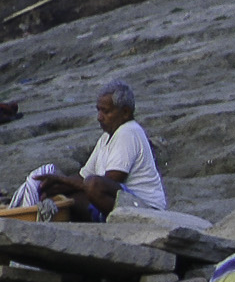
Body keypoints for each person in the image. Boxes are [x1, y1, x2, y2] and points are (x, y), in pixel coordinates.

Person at [31, 80, 168, 220]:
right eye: (98, 110)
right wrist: (56, 187)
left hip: (145, 207)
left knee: (93, 185)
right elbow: (83, 177)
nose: (99, 117)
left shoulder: (128, 132)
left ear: (125, 112)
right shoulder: (105, 138)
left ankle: (120, 223)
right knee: (64, 197)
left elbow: (107, 181)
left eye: (106, 111)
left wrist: (62, 180)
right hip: (122, 202)